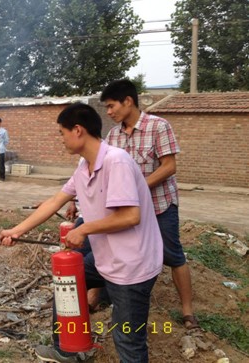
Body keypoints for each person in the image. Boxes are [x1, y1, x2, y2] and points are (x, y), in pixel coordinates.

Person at [0, 102, 163, 363]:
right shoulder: (84, 167)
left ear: (77, 130)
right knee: (67, 284)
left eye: (62, 133)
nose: (61, 140)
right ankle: (68, 349)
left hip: (132, 266)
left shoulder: (115, 161)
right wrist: (16, 231)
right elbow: (55, 201)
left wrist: (84, 228)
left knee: (128, 340)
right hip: (106, 259)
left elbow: (131, 216)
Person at [101, 79, 198, 329]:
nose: (109, 112)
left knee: (172, 255)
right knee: (124, 253)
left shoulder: (158, 126)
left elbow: (169, 166)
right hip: (128, 212)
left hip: (160, 206)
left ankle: (188, 311)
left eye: (112, 106)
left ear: (128, 101)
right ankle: (110, 299)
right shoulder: (113, 135)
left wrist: (137, 188)